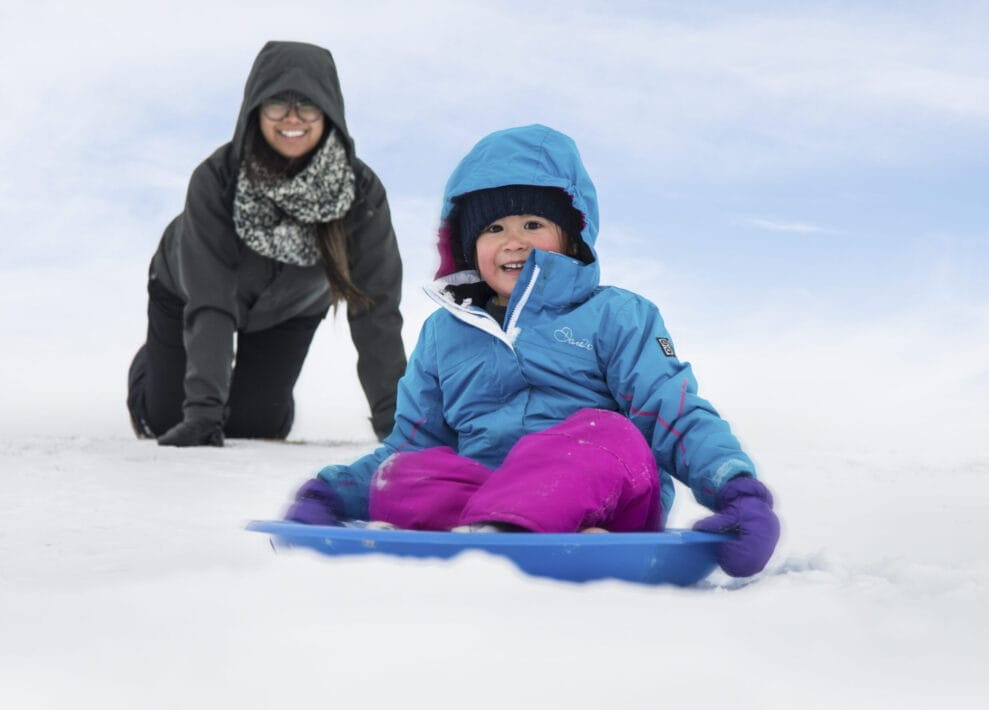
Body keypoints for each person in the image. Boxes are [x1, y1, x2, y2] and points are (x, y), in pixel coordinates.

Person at [285, 124, 779, 577]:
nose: (513, 242)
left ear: (571, 233)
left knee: (606, 434)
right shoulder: (443, 334)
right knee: (412, 472)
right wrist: (333, 492)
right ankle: (500, 530)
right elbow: (413, 444)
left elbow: (673, 412)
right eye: (494, 229)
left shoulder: (617, 316)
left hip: (608, 499)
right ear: (466, 244)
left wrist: (738, 490)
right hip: (482, 495)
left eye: (533, 224)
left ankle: (521, 530)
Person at [127, 41, 406, 446]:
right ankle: (154, 364)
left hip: (289, 309)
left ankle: (255, 391)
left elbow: (376, 308)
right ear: (255, 108)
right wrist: (203, 411)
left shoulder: (360, 193)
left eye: (307, 105)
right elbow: (212, 300)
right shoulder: (216, 180)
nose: (292, 119)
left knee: (257, 427)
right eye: (277, 104)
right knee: (169, 417)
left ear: (328, 111)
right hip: (190, 293)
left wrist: (396, 423)